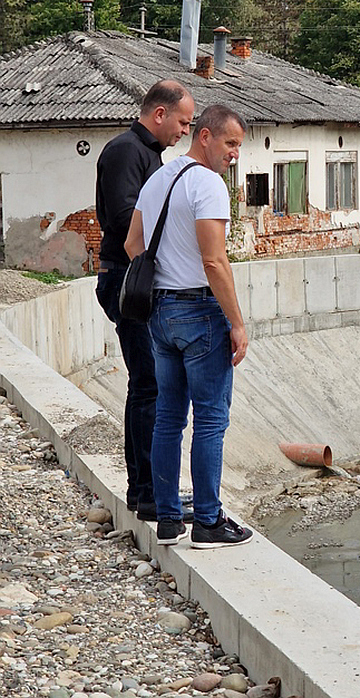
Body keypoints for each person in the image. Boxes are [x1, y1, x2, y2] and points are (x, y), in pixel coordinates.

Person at [125, 103, 253, 549]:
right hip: (200, 311)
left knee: (168, 418)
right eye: (230, 143)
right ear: (205, 136)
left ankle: (166, 519)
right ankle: (208, 523)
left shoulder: (159, 177)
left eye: (239, 146)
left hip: (158, 312)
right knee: (212, 420)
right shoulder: (209, 185)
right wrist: (236, 323)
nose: (234, 153)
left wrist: (165, 274)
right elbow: (214, 260)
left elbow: (133, 244)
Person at [95, 80, 195, 521]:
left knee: (150, 387)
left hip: (137, 279)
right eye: (182, 122)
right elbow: (122, 218)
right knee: (149, 387)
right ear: (159, 114)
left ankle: (151, 491)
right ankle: (148, 494)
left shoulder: (149, 154)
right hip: (126, 280)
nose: (184, 132)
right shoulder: (125, 151)